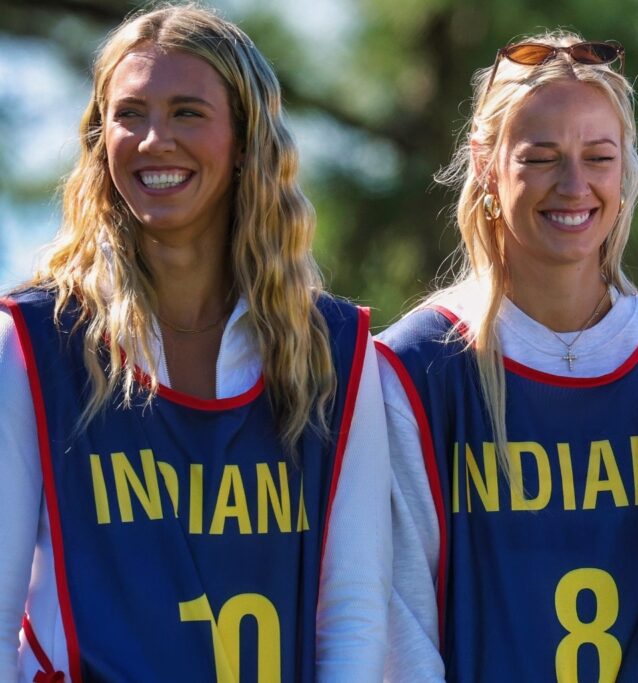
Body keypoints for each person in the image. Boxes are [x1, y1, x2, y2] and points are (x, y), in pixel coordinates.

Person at [0, 6, 390, 681]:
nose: (155, 140)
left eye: (187, 112)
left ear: (244, 141)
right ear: (100, 139)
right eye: (129, 114)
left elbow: (352, 616)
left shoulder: (338, 349)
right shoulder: (33, 343)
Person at [376, 30, 638, 682]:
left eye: (598, 157)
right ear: (486, 165)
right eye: (541, 157)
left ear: (625, 170)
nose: (574, 185)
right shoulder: (412, 368)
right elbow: (396, 627)